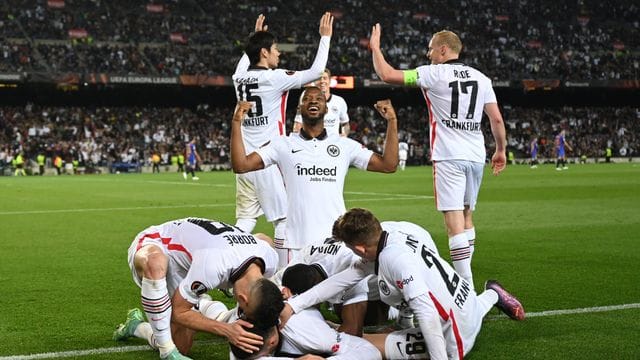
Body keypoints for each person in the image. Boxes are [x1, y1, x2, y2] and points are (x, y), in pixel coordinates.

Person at [369, 25, 507, 288]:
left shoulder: (432, 74)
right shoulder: (482, 78)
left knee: (454, 222)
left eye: (431, 48)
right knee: (467, 216)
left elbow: (387, 74)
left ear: (444, 49)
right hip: (476, 155)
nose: (428, 53)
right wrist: (500, 151)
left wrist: (376, 48)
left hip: (448, 156)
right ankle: (465, 269)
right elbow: (496, 119)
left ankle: (465, 285)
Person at [285, 208, 525, 360]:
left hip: (455, 338)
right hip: (468, 307)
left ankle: (491, 296)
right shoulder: (390, 239)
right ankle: (492, 294)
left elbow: (427, 313)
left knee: (364, 343)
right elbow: (341, 280)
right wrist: (295, 306)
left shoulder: (394, 259)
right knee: (462, 309)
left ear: (359, 248)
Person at [230, 86, 398, 266]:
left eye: (319, 99)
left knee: (338, 293)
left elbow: (388, 165)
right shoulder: (282, 144)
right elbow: (241, 165)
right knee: (290, 293)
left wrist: (392, 121)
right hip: (294, 243)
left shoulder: (344, 146)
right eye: (307, 99)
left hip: (336, 242)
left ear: (326, 108)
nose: (313, 101)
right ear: (299, 109)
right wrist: (236, 122)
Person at [231, 13, 333, 268]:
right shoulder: (274, 78)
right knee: (284, 219)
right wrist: (325, 38)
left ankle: (231, 266)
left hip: (243, 158)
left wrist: (253, 39)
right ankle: (282, 275)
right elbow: (316, 72)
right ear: (264, 53)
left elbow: (245, 61)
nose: (279, 54)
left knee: (245, 220)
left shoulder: (238, 77)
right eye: (275, 49)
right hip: (266, 160)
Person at [112, 217, 283, 359]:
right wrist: (226, 330)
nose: (242, 315)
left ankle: (140, 324)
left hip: (197, 258)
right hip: (158, 244)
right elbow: (180, 312)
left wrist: (273, 329)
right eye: (244, 311)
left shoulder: (270, 258)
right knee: (155, 263)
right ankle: (160, 346)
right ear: (243, 299)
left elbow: (262, 238)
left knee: (184, 338)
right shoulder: (214, 265)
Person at [293, 69, 350, 137]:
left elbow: (345, 124)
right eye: (319, 79)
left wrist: (344, 135)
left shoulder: (339, 101)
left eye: (325, 78)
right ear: (314, 82)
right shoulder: (307, 99)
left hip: (332, 145)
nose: (322, 81)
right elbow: (298, 124)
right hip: (312, 144)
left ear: (330, 81)